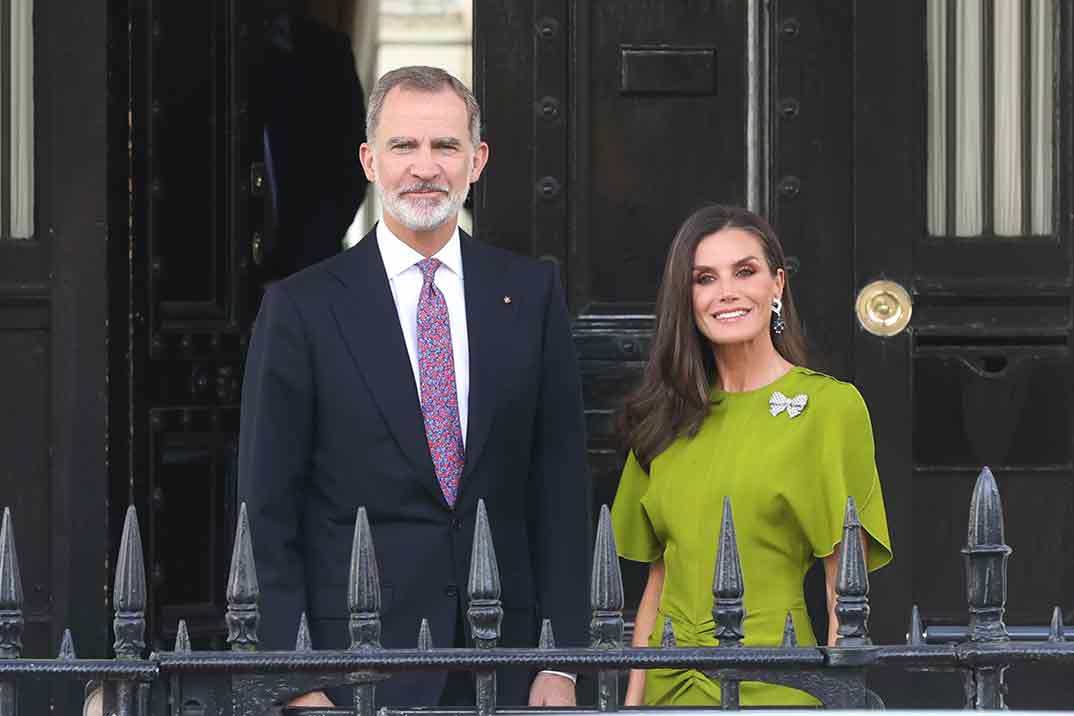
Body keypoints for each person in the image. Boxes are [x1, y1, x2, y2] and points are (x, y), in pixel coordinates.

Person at [238, 66, 590, 709]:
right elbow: (267, 506)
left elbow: (559, 489)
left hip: (505, 663)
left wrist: (561, 662)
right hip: (357, 668)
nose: (424, 167)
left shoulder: (530, 295)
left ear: (476, 161)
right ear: (370, 160)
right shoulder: (302, 308)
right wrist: (295, 677)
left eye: (445, 146)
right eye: (404, 146)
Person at [611, 205, 892, 707]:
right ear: (687, 297)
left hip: (777, 681)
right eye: (705, 279)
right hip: (668, 687)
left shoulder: (829, 408)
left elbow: (843, 588)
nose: (727, 293)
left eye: (745, 271)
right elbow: (658, 580)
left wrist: (842, 699)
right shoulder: (664, 416)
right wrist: (632, 704)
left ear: (777, 285)